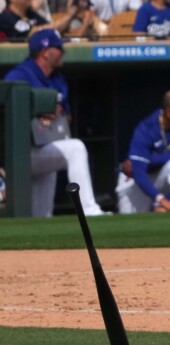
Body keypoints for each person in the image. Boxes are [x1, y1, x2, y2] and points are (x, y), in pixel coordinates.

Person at [4, 29, 107, 216]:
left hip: (44, 145)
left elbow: (67, 115)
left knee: (41, 214)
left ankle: (40, 231)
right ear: (45, 52)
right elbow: (5, 114)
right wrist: (35, 111)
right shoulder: (20, 75)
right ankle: (89, 210)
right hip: (19, 153)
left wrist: (55, 115)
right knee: (76, 148)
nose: (62, 51)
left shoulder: (57, 79)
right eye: (58, 48)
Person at [116, 90, 170, 213]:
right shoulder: (146, 129)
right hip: (134, 179)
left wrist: (148, 160)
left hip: (158, 173)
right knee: (131, 225)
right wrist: (162, 201)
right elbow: (138, 172)